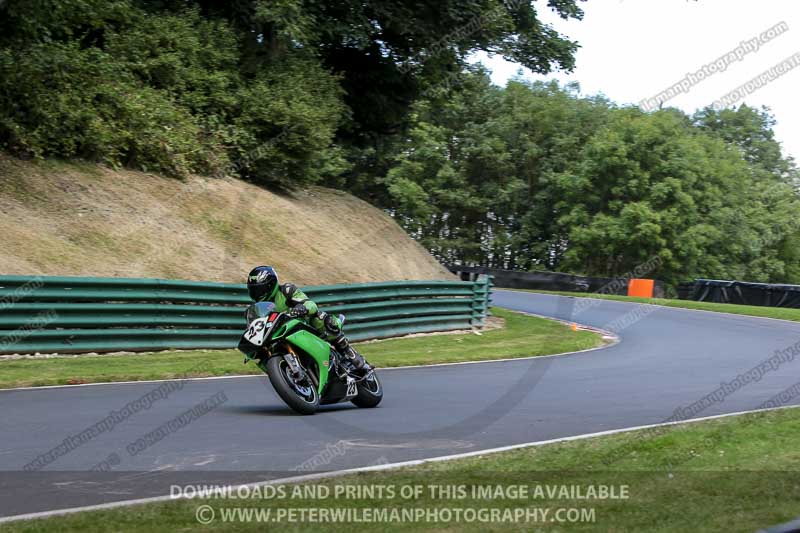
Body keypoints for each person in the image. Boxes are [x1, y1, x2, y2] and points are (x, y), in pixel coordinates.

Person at [246, 266, 368, 370]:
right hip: (278, 336)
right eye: (254, 290)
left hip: (303, 325)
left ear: (270, 285)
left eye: (260, 289)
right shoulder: (257, 309)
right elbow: (254, 329)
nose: (257, 293)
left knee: (321, 319)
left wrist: (302, 308)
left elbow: (310, 304)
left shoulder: (286, 291)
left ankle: (348, 351)